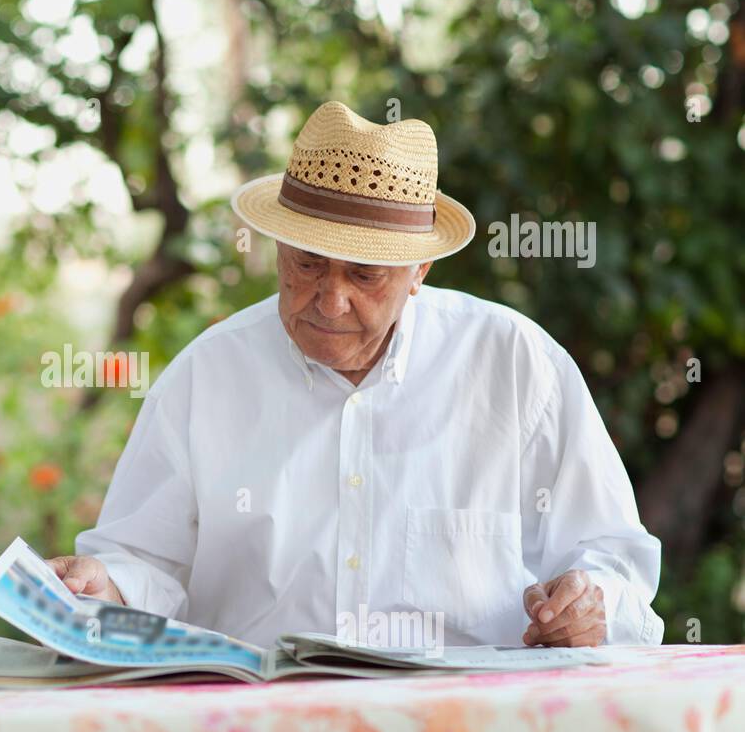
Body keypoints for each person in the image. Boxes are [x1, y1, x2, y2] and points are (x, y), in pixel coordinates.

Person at [47, 100, 662, 649]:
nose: (330, 301)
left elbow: (615, 560)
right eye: (308, 264)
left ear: (420, 269)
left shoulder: (515, 364)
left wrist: (591, 605)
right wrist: (107, 586)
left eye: (364, 275)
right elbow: (141, 562)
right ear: (279, 249)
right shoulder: (208, 375)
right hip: (257, 730)